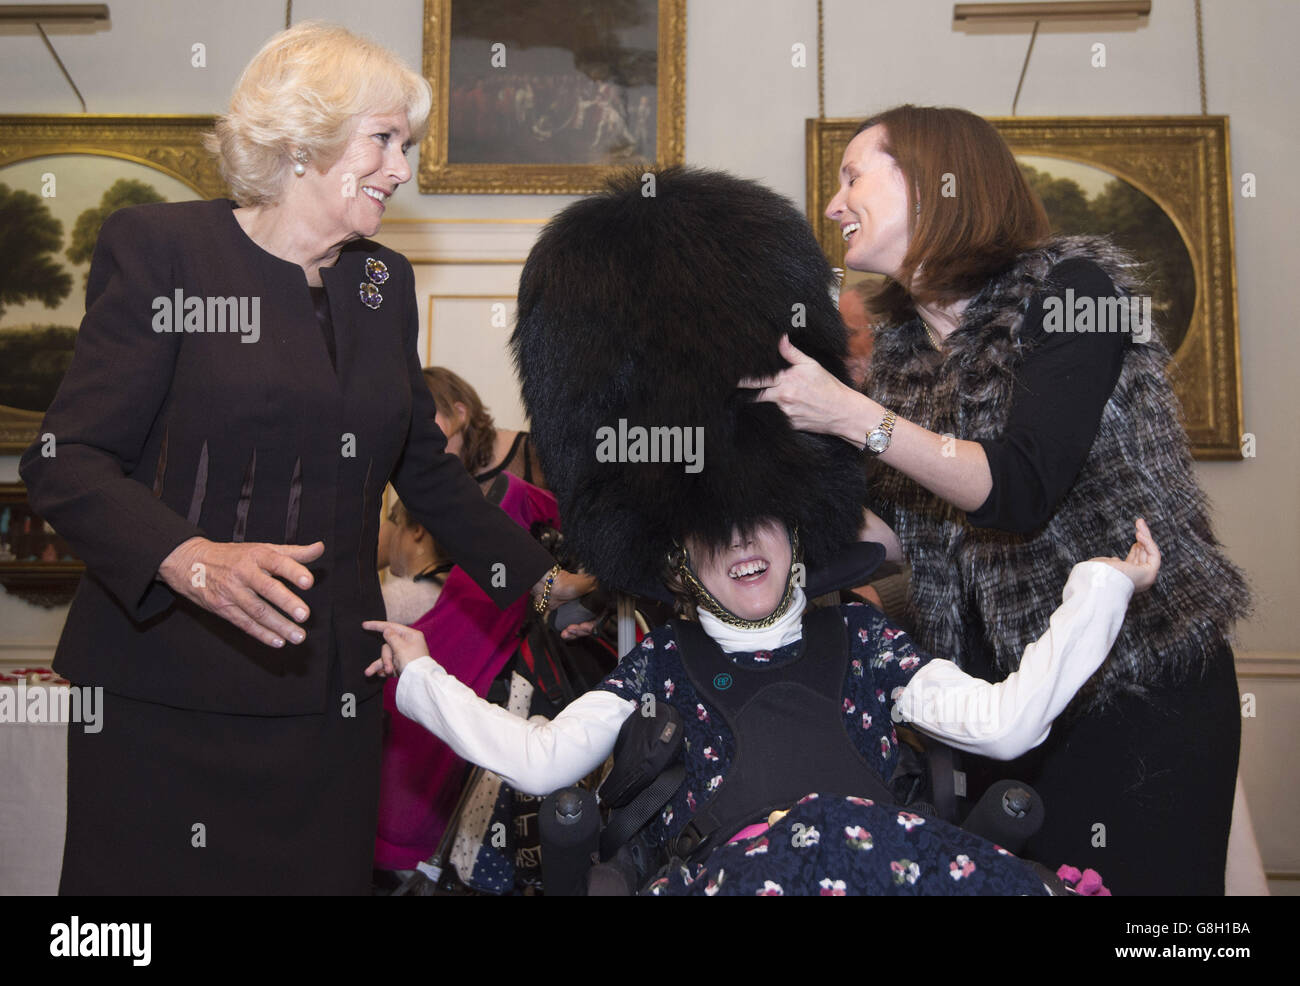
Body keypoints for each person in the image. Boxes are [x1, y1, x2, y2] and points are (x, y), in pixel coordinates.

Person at [18, 21, 586, 895]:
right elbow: (66, 460)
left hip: (330, 700)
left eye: (408, 145)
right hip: (165, 691)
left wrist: (548, 588)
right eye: (385, 139)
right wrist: (191, 559)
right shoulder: (166, 252)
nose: (403, 168)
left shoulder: (379, 284)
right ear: (301, 142)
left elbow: (426, 470)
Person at [742, 105, 1250, 894]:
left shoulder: (1075, 292)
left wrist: (848, 414)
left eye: (853, 176)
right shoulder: (909, 355)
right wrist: (752, 554)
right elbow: (900, 530)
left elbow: (1019, 487)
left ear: (933, 178)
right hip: (1006, 709)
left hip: (1136, 692)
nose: (835, 205)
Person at [366, 517, 1159, 895]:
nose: (743, 544)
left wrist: (1103, 587)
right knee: (807, 830)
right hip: (728, 881)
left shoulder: (863, 636)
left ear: (797, 537)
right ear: (682, 559)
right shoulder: (665, 658)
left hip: (895, 876)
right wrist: (423, 676)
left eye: (763, 522)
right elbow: (542, 759)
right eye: (715, 532)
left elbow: (1007, 722)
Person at [421, 366, 548, 490]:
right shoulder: (420, 480)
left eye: (425, 418)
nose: (417, 432)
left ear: (460, 413)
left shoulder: (530, 453)